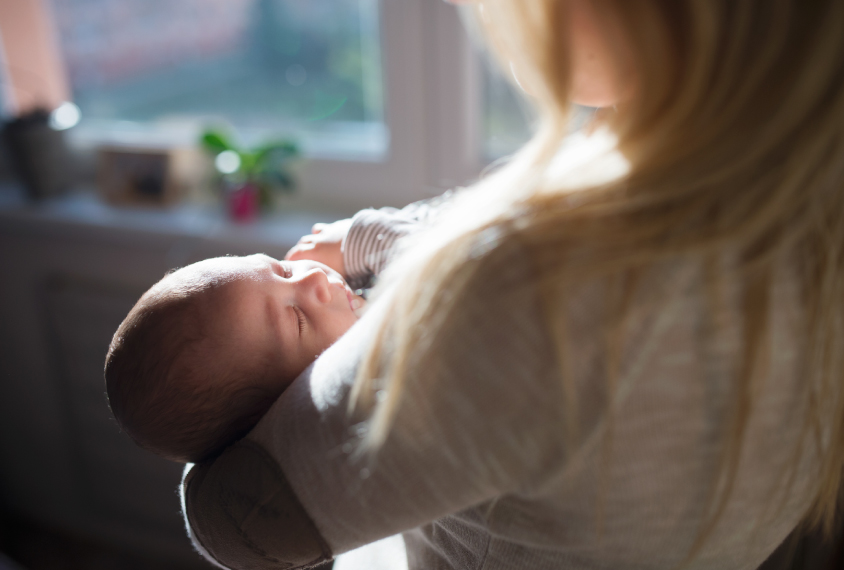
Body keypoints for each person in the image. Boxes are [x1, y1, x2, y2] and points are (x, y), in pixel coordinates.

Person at [180, 1, 844, 569]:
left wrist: (234, 411)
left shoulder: (526, 293)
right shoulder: (807, 220)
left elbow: (238, 514)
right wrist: (368, 242)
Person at [105, 203, 430, 463]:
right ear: (295, 401)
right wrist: (355, 240)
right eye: (298, 318)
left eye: (280, 268)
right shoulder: (386, 375)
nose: (313, 279)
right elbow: (454, 264)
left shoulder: (360, 300)